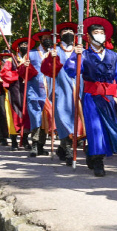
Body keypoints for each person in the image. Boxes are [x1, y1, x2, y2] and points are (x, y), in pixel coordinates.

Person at [64, 16, 117, 177]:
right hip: (91, 97)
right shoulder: (83, 54)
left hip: (109, 99)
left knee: (106, 128)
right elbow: (71, 71)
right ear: (89, 36)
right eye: (96, 32)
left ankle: (93, 154)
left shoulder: (113, 56)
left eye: (102, 32)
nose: (100, 35)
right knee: (95, 128)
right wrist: (74, 56)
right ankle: (98, 161)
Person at [42, 22, 84, 165]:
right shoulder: (56, 51)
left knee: (76, 121)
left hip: (79, 90)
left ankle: (63, 146)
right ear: (59, 35)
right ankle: (68, 149)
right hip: (61, 90)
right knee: (63, 119)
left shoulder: (80, 50)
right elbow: (47, 71)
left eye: (71, 30)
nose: (68, 33)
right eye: (65, 30)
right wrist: (50, 59)